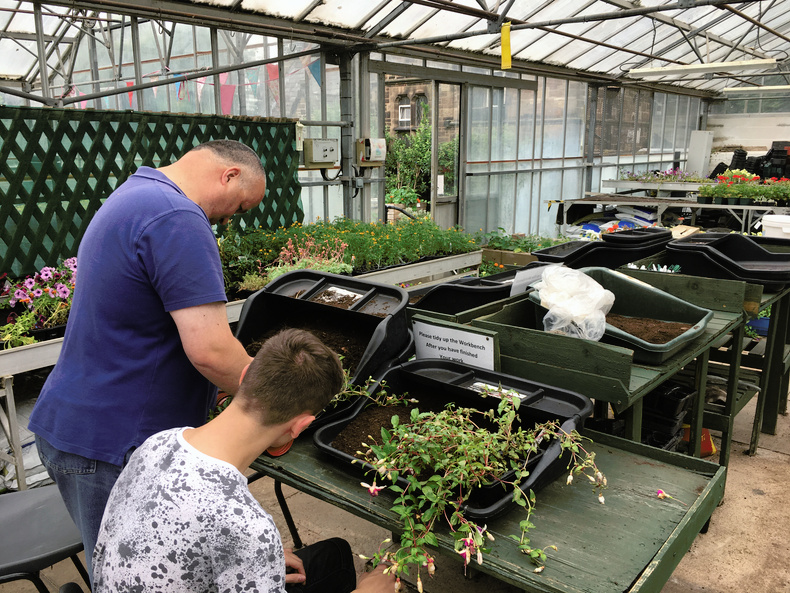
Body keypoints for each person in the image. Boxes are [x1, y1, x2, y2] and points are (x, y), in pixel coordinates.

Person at [29, 139, 267, 577]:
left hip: (81, 426)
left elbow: (146, 326)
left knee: (130, 567)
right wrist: (277, 402)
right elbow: (212, 350)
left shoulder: (136, 194)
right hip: (112, 443)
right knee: (130, 578)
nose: (232, 218)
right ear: (229, 175)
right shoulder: (177, 217)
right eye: (241, 206)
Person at [92, 328, 395, 593]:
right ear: (299, 426)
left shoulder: (157, 443)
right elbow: (231, 534)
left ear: (242, 377)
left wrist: (260, 561)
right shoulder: (246, 528)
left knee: (335, 555)